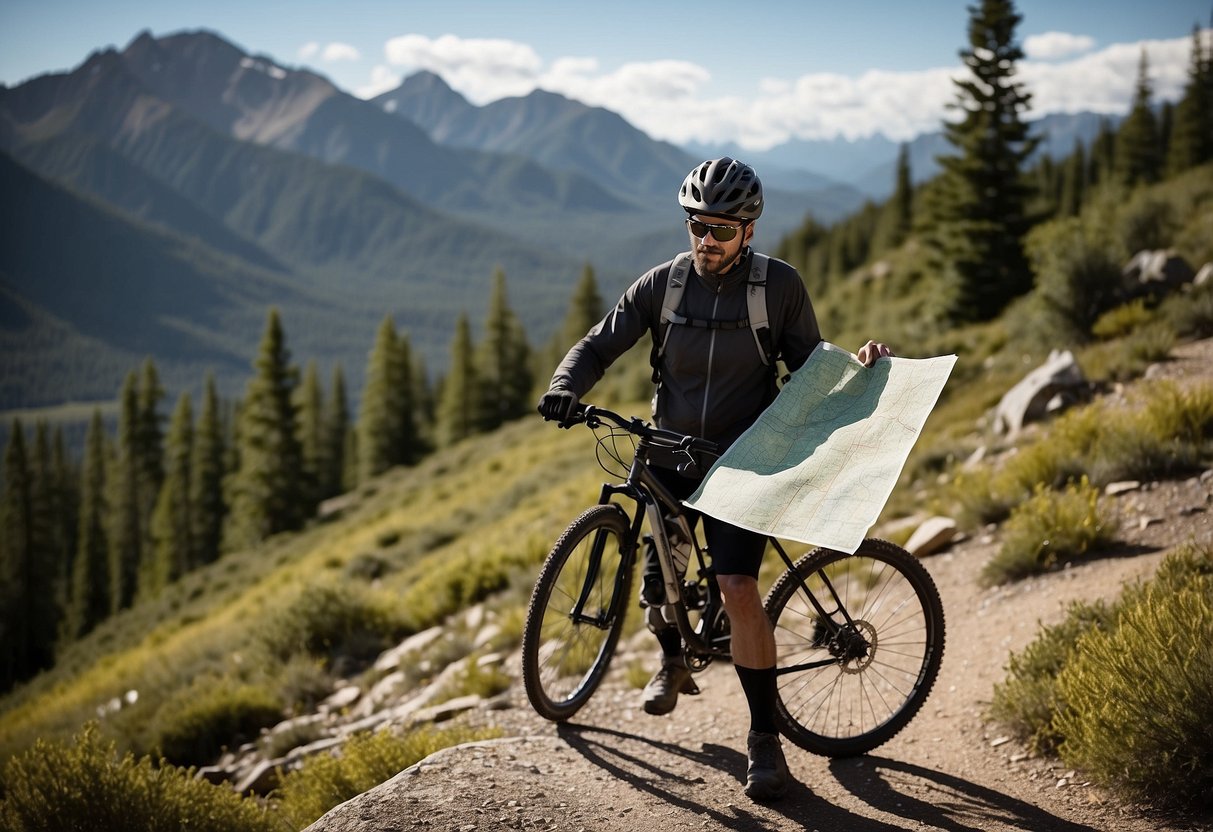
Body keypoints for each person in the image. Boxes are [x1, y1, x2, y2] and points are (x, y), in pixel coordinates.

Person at [537, 157, 892, 802]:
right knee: (658, 574)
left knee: (735, 584)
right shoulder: (663, 285)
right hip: (668, 450)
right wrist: (565, 385)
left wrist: (860, 368)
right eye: (698, 225)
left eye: (722, 230)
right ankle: (673, 657)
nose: (707, 239)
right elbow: (597, 344)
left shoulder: (777, 288)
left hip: (743, 461)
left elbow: (812, 370)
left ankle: (764, 738)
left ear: (748, 231)